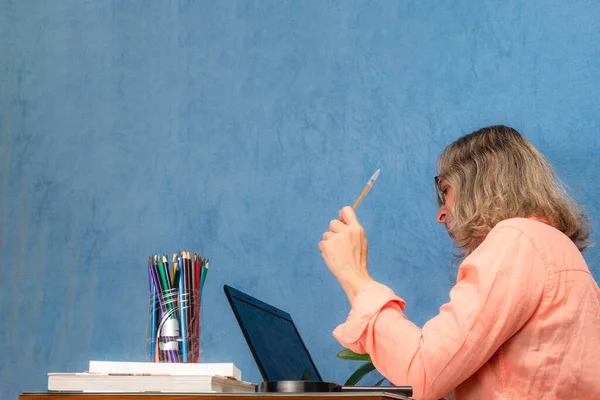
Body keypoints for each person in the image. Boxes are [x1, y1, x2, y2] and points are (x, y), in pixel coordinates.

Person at [318, 125, 600, 400]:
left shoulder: (516, 240)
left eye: (446, 191)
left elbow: (422, 373)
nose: (441, 214)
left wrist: (353, 274)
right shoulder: (554, 247)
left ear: (485, 178)